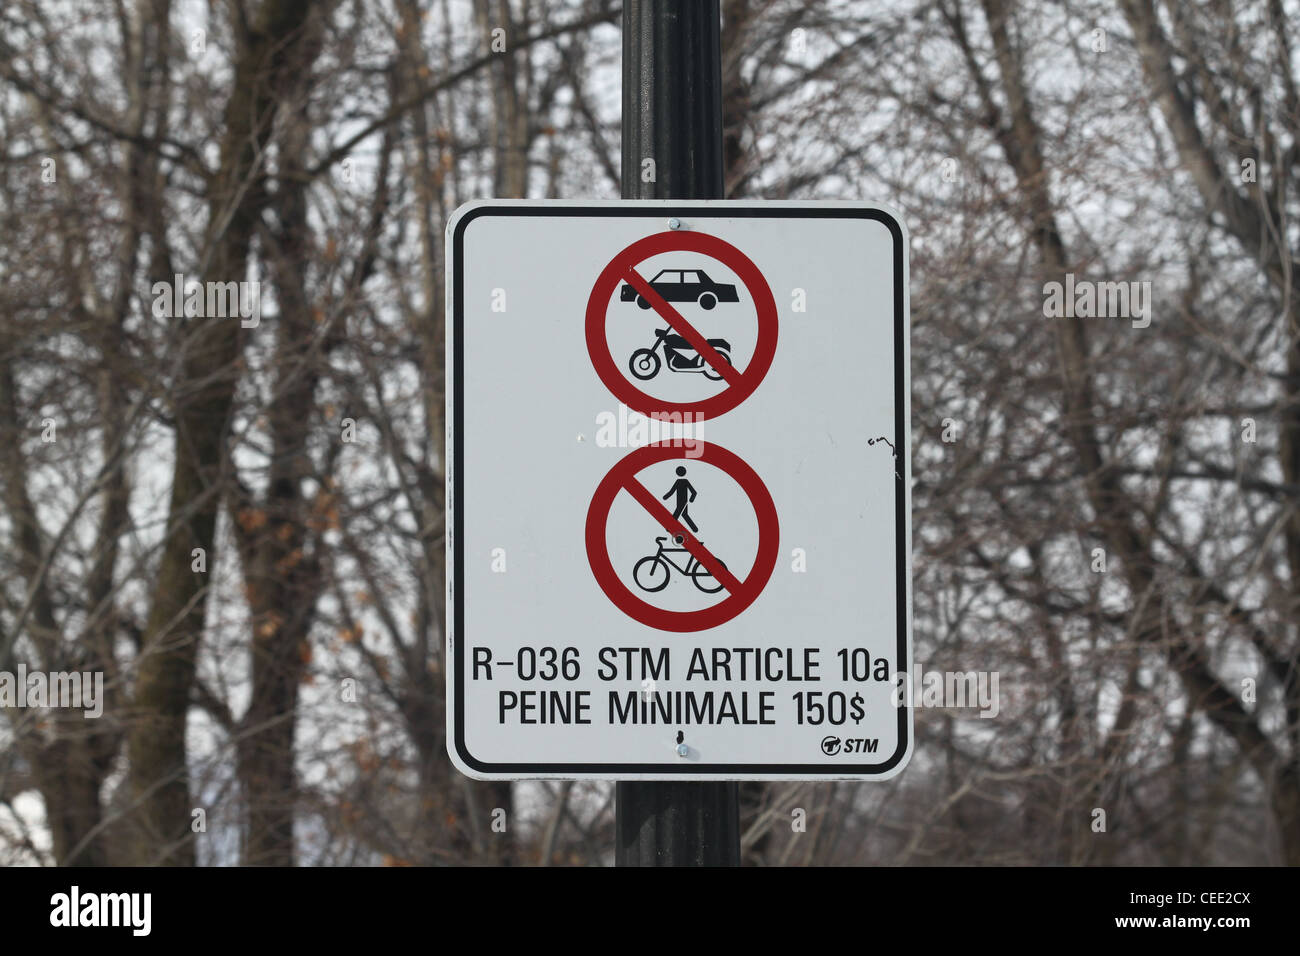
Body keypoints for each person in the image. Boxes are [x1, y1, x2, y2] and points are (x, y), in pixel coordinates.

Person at [662, 466, 698, 533]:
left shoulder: (682, 481)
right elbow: (672, 491)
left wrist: (691, 499)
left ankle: (669, 528)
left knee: (676, 515)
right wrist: (665, 497)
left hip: (683, 503)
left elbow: (694, 492)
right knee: (684, 515)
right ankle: (695, 529)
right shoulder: (682, 481)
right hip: (682, 502)